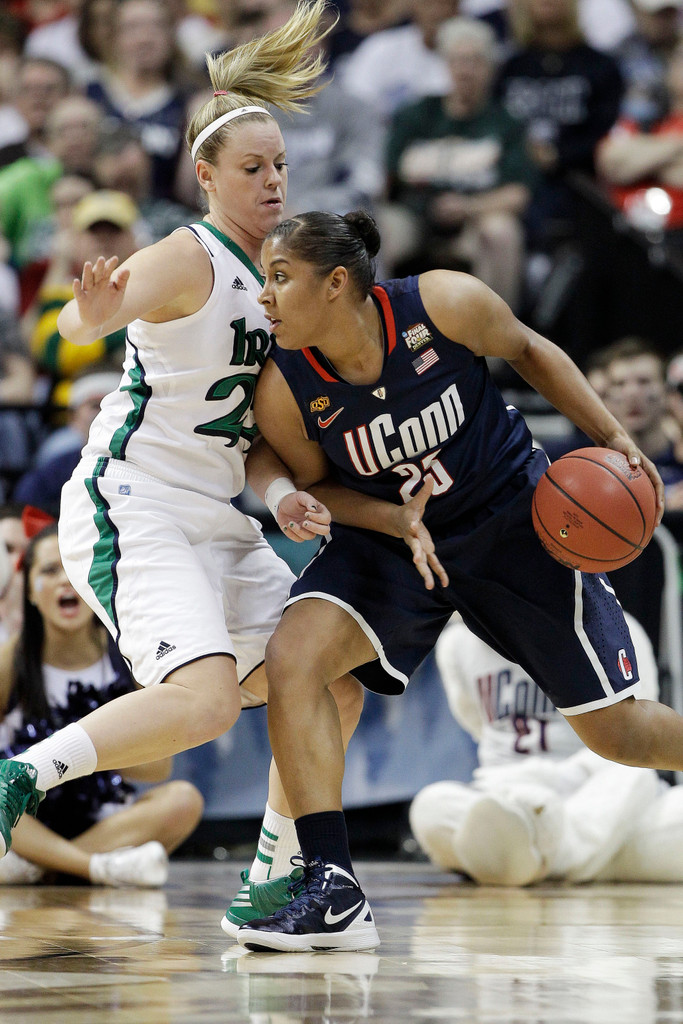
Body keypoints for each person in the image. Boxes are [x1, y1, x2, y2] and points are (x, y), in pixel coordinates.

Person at [222, 207, 683, 955]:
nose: (263, 297)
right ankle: (331, 887)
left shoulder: (442, 303)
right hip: (391, 540)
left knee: (618, 733)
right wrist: (384, 518)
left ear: (336, 284)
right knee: (294, 658)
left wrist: (611, 438)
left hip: (513, 522)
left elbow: (532, 352)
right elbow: (317, 485)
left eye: (278, 278)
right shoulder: (284, 383)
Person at [0, 1, 363, 926]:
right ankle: (16, 780)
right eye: (253, 169)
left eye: (280, 165)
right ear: (205, 177)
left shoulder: (278, 277)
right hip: (136, 502)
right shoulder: (188, 254)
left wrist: (281, 494)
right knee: (202, 703)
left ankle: (274, 879)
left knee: (329, 674)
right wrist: (91, 306)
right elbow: (87, 320)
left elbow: (246, 440)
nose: (274, 181)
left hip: (216, 509)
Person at [409, 613, 683, 885]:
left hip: (592, 790)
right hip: (506, 794)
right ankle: (577, 857)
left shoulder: (615, 628)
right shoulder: (457, 643)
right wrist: (519, 788)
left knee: (633, 777)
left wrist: (547, 782)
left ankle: (526, 856)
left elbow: (639, 738)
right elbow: (476, 723)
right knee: (430, 805)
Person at [0, 522, 204, 886]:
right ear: (30, 589)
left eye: (74, 569)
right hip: (25, 818)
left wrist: (83, 750)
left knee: (184, 799)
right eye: (49, 570)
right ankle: (97, 868)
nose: (65, 581)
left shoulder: (128, 653)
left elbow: (159, 768)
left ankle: (43, 868)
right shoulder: (11, 659)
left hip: (104, 818)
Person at [384, 16, 535, 309]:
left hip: (474, 220)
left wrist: (468, 208)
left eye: (476, 61)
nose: (466, 71)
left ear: (491, 67)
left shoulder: (505, 122)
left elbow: (519, 193)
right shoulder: (417, 115)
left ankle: (496, 349)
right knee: (377, 228)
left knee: (502, 231)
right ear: (445, 64)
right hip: (416, 216)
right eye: (458, 61)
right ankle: (378, 338)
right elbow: (388, 177)